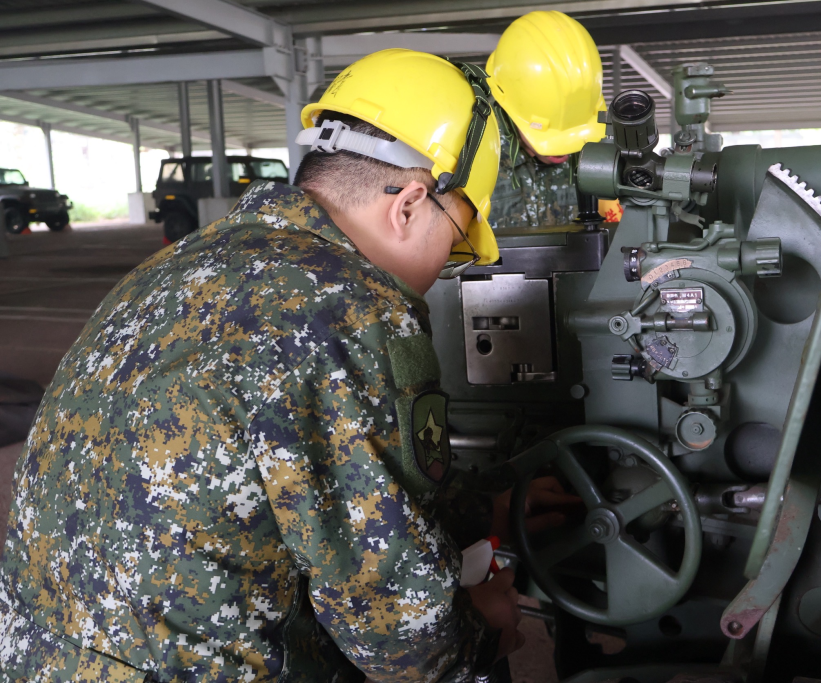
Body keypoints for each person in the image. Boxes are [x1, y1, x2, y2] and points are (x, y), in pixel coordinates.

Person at [0, 49, 567, 683]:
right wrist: (482, 630)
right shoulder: (344, 305)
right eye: (458, 238)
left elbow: (304, 476)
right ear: (408, 205)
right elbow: (393, 623)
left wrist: (481, 510)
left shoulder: (178, 266)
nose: (449, 263)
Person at [485, 11, 607, 231]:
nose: (566, 147)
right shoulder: (473, 160)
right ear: (507, 104)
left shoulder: (601, 157)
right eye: (552, 133)